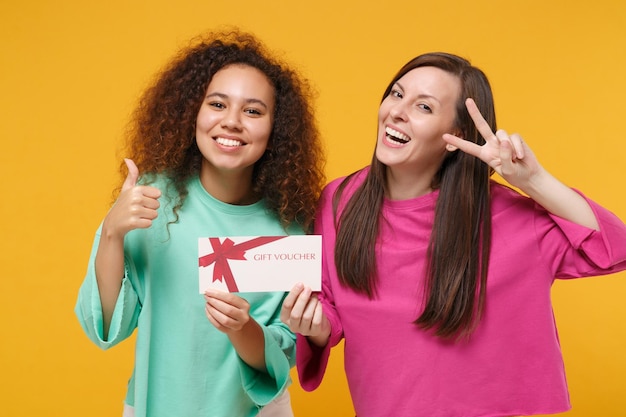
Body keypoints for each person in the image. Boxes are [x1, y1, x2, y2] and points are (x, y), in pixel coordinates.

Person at [280, 52, 626, 417]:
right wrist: (314, 325)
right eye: (396, 94)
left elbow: (615, 247)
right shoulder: (339, 200)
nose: (397, 111)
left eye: (424, 107)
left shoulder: (507, 216)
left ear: (455, 135)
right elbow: (329, 306)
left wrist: (533, 181)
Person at [75, 29, 325, 417]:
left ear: (276, 130)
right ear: (192, 112)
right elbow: (105, 329)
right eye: (217, 104)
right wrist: (111, 233)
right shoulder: (150, 201)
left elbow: (286, 352)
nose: (232, 122)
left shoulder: (292, 225)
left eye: (253, 111)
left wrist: (242, 328)